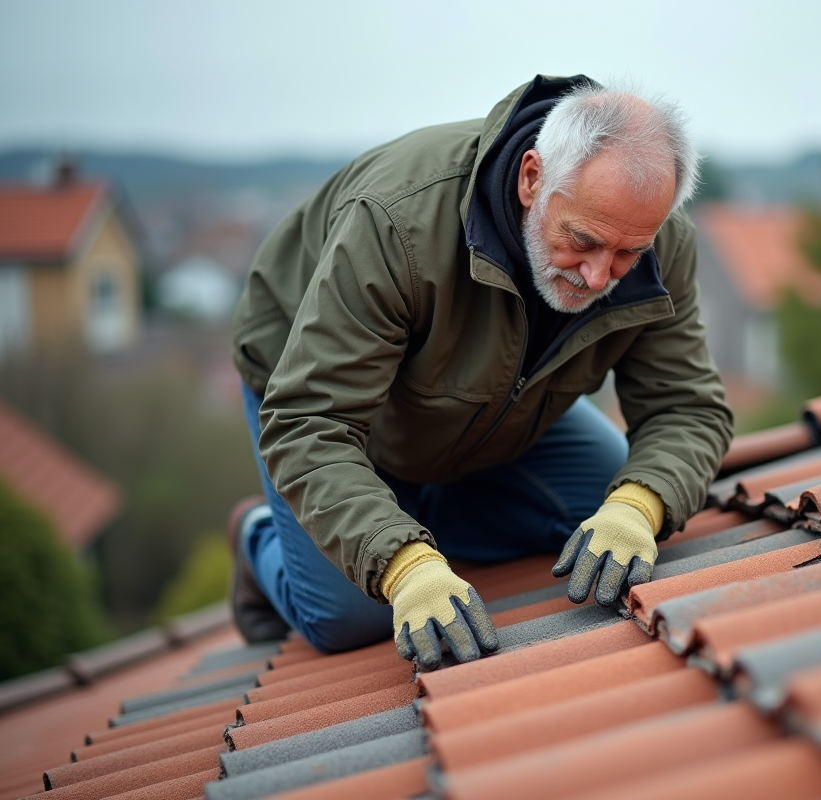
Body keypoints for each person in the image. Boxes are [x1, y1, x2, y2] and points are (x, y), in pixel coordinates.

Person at [229, 75, 733, 670]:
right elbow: (312, 421)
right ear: (531, 178)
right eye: (582, 241)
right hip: (335, 408)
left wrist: (638, 506)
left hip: (499, 408)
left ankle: (419, 512)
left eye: (627, 254)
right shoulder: (396, 223)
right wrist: (406, 566)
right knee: (353, 616)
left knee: (609, 525)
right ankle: (259, 534)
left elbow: (687, 406)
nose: (599, 277)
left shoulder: (660, 239)